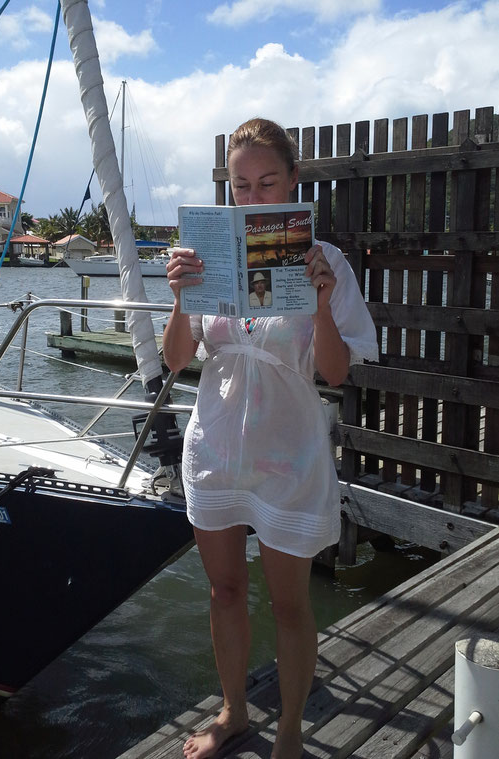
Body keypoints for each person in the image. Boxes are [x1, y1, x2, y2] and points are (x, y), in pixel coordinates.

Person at [163, 117, 378, 759]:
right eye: (241, 186)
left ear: (293, 181)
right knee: (224, 590)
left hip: (291, 456)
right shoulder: (208, 256)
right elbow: (177, 360)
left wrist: (320, 301)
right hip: (218, 450)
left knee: (290, 605)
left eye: (267, 182)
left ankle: (288, 732)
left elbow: (337, 373)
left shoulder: (327, 261)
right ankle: (233, 712)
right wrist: (180, 297)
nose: (254, 198)